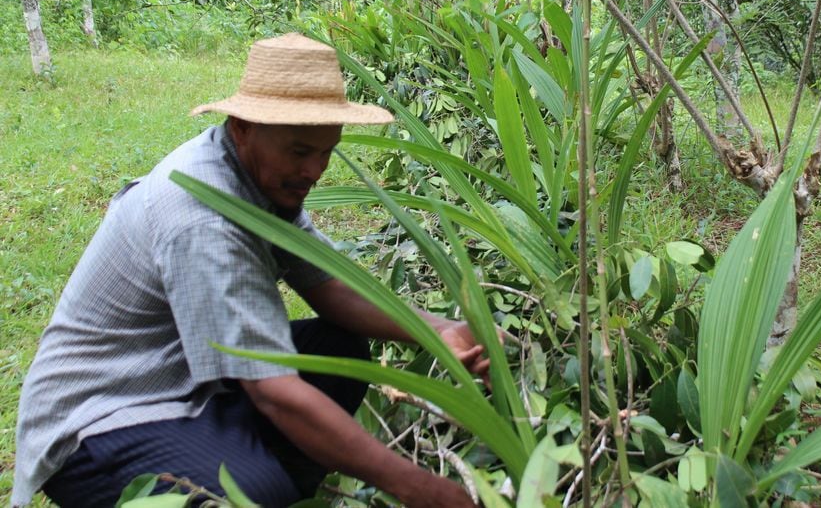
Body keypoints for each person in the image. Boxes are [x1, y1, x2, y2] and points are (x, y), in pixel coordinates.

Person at [12, 33, 484, 508]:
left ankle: (264, 475)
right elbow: (274, 392)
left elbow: (328, 284)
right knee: (252, 495)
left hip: (190, 379)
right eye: (300, 152)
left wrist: (441, 330)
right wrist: (416, 485)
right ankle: (256, 483)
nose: (314, 171)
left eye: (326, 152)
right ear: (242, 127)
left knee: (338, 350)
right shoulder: (203, 220)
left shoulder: (261, 177)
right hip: (104, 416)